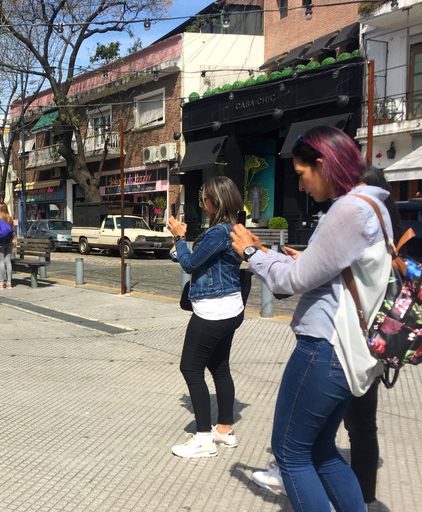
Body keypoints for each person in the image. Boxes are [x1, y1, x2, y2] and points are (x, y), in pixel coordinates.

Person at [230, 126, 391, 512]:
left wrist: (253, 254)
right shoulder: (373, 205)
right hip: (348, 349)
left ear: (323, 165)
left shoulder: (347, 209)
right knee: (319, 451)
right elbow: (330, 271)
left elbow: (294, 281)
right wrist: (288, 259)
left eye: (302, 174)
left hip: (326, 348)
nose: (301, 185)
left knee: (290, 453)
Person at [166, 176, 245, 458]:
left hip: (213, 311)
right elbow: (200, 261)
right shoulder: (233, 228)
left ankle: (202, 439)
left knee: (190, 368)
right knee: (219, 366)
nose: (203, 203)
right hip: (230, 308)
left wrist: (178, 236)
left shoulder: (217, 232)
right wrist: (182, 248)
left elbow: (189, 263)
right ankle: (223, 430)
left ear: (213, 203)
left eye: (204, 199)